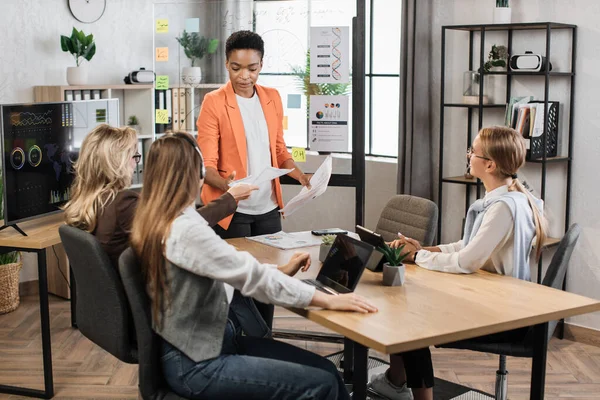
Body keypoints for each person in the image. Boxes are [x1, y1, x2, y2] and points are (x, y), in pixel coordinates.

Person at [129, 133, 378, 400]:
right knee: (323, 384)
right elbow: (250, 276)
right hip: (199, 364)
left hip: (213, 344)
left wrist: (280, 272)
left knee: (327, 370)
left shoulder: (166, 220)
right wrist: (327, 301)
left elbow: (235, 270)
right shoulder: (185, 231)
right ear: (194, 173)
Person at [368, 126, 548, 400]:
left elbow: (466, 261)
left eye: (472, 151)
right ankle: (395, 381)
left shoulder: (502, 208)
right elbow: (470, 246)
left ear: (489, 163)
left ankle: (404, 388)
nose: (468, 155)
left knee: (410, 319)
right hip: (497, 300)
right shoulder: (511, 199)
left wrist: (416, 256)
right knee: (406, 307)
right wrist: (424, 249)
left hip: (502, 316)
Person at [196, 29, 312, 328]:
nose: (244, 76)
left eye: (252, 68)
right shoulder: (214, 102)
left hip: (268, 210)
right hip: (232, 211)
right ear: (226, 64)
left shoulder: (271, 97)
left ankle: (265, 344)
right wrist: (230, 187)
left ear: (262, 64)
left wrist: (295, 171)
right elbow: (206, 167)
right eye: (236, 68)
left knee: (271, 284)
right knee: (238, 290)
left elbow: (278, 147)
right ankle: (239, 349)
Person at [63, 125, 258, 270]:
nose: (135, 165)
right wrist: (230, 198)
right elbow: (182, 227)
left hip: (111, 308)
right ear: (116, 162)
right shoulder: (122, 204)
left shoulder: (89, 201)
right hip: (145, 307)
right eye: (134, 157)